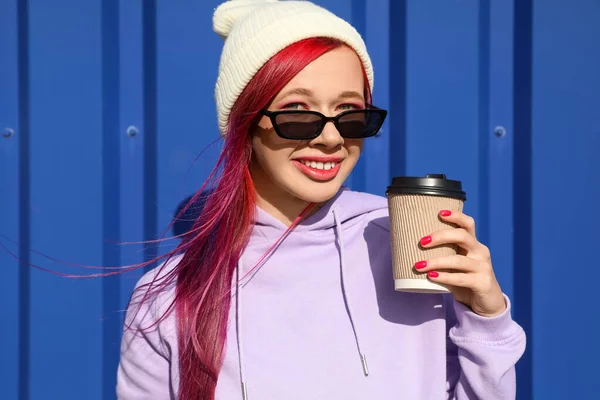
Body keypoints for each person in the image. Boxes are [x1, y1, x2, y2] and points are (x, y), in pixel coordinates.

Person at [116, 1, 526, 399]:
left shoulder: (409, 248)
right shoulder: (169, 298)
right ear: (245, 123)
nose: (331, 138)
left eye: (350, 113)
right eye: (297, 112)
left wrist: (486, 320)